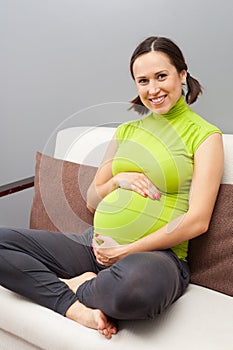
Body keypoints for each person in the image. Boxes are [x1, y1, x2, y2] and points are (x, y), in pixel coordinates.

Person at [0, 36, 224, 339]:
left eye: (161, 76)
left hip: (157, 257)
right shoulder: (127, 131)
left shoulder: (205, 136)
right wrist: (119, 180)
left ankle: (80, 285)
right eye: (142, 80)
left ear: (182, 75)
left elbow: (197, 220)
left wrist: (127, 251)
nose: (153, 89)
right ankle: (74, 306)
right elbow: (93, 199)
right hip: (95, 245)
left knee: (134, 291)